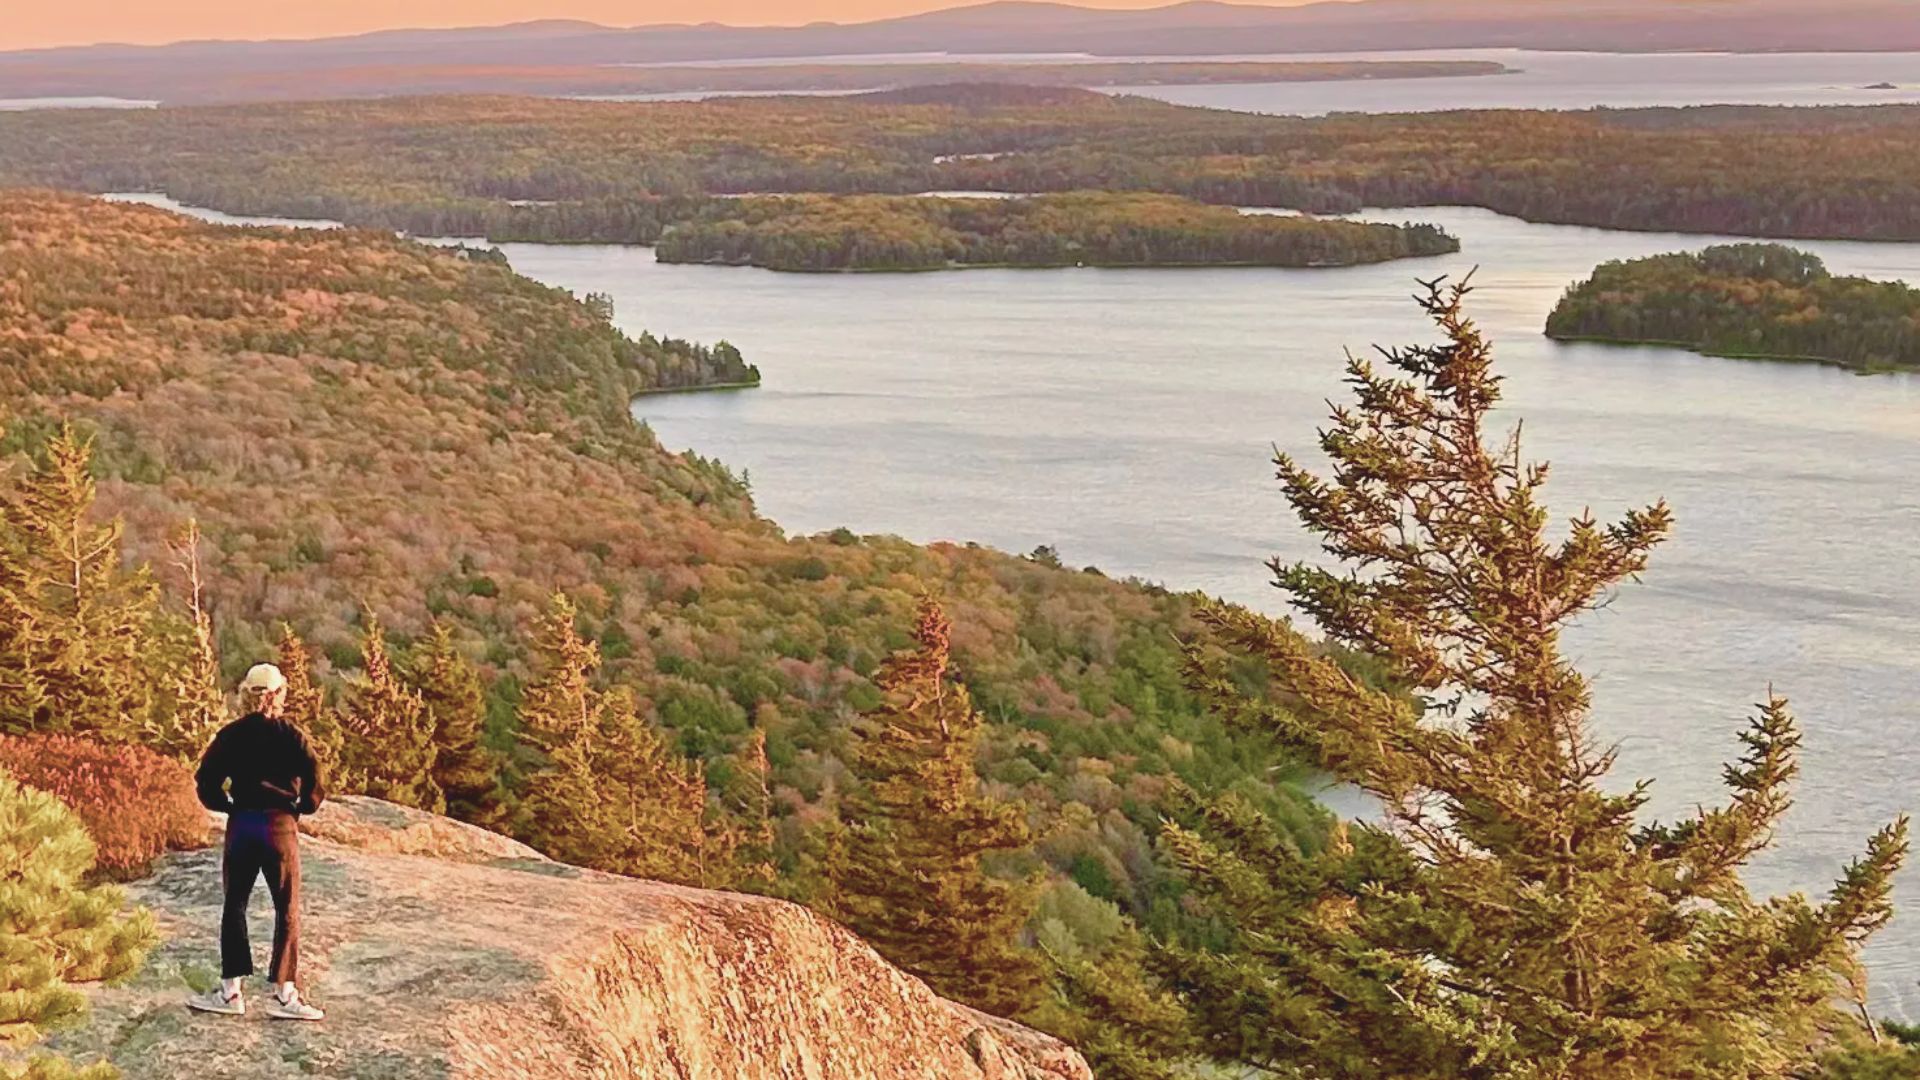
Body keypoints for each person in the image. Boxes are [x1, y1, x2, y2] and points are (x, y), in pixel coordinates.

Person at [186, 662, 326, 1021]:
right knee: (287, 908)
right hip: (280, 828)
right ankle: (285, 994)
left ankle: (231, 993)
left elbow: (206, 781)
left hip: (243, 825)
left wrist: (227, 806)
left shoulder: (231, 735)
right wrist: (299, 808)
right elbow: (315, 781)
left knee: (235, 905)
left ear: (247, 694)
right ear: (279, 693)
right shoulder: (293, 736)